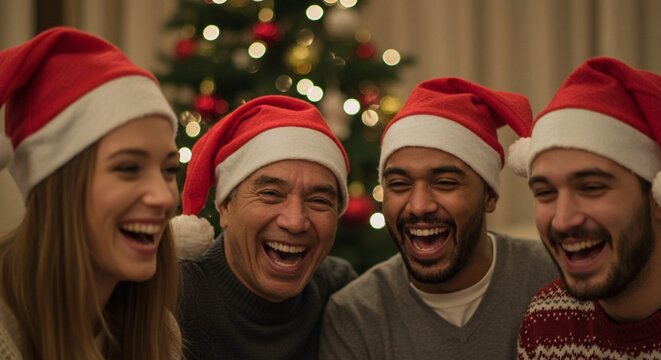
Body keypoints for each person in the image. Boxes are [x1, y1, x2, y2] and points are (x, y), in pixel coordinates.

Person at [319, 78, 557, 359]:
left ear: (489, 195)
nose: (419, 206)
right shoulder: (356, 316)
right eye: (399, 184)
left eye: (444, 182)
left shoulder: (556, 280)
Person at [0, 27, 183, 359]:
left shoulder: (160, 333)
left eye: (170, 170)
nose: (165, 197)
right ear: (59, 186)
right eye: (128, 168)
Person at [173, 94, 357, 359]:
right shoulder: (170, 298)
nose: (295, 222)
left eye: (319, 201)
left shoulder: (340, 293)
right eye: (271, 194)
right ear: (225, 207)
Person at [508, 57, 661, 359]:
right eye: (545, 192)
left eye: (592, 188)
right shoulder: (545, 318)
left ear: (655, 198)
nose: (563, 220)